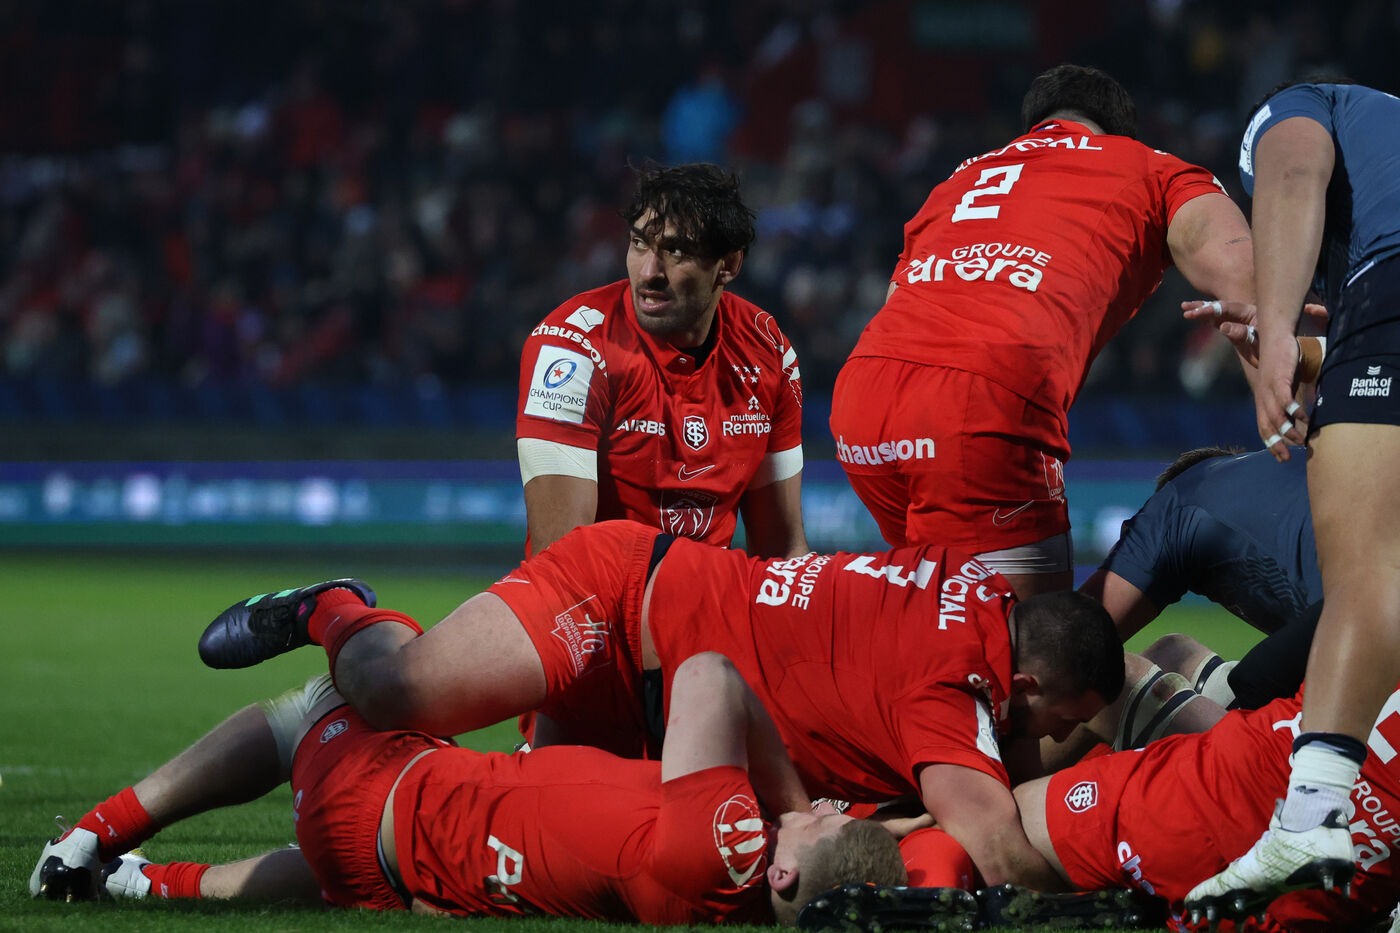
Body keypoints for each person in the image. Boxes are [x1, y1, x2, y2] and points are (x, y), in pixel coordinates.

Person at [196, 519, 1125, 891]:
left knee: (489, 835)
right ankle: (334, 609)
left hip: (665, 710)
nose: (1047, 737)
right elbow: (998, 848)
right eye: (1057, 718)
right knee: (398, 692)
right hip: (617, 600)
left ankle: (161, 875)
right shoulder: (948, 687)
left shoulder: (973, 589)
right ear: (1028, 682)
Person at [33, 653, 908, 923]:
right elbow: (846, 859)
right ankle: (141, 882)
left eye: (818, 827)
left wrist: (794, 800)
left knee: (347, 681)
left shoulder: (725, 842)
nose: (817, 813)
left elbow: (709, 674)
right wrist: (868, 828)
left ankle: (90, 835)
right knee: (331, 866)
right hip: (390, 869)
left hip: (377, 788)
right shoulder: (741, 905)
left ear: (782, 868)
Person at [829, 63, 1255, 599]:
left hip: (863, 396)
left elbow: (897, 297)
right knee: (1036, 639)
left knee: (934, 619)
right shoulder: (1149, 166)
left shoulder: (959, 179)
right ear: (1119, 132)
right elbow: (1238, 267)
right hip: (979, 398)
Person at [1186, 81, 1400, 919]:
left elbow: (1294, 165)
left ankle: (1310, 815)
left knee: (1372, 579)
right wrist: (1318, 349)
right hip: (1376, 318)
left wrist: (1277, 333)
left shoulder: (1303, 104)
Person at [516, 162, 807, 559]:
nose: (649, 272)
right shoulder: (572, 347)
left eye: (676, 250)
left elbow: (783, 553)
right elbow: (560, 560)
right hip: (599, 596)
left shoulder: (768, 350)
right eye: (639, 244)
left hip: (710, 594)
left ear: (728, 265)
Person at [1015, 679, 1400, 932]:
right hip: (1297, 906)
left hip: (1188, 798)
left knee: (1004, 829)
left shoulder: (1375, 610)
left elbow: (1258, 673)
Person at [1080, 444, 1323, 710]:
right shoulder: (1289, 474)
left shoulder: (1180, 501)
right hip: (1342, 639)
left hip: (1344, 660)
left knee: (1249, 683)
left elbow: (1076, 642)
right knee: (1173, 652)